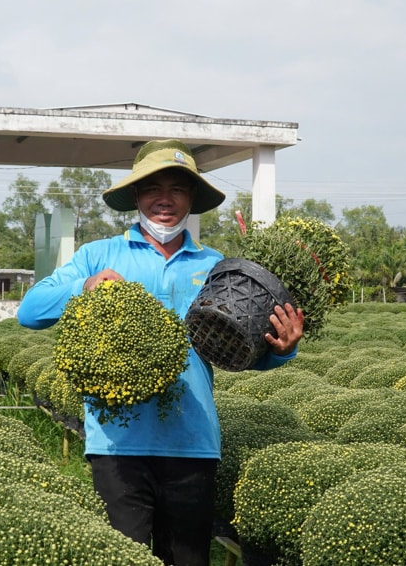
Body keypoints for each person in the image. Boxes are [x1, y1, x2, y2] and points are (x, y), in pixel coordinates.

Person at [17, 139, 304, 566]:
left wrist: (281, 350)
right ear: (136, 195)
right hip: (117, 444)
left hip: (192, 443)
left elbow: (239, 352)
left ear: (192, 199)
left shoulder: (217, 267)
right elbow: (30, 311)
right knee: (122, 558)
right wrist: (85, 286)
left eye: (177, 189)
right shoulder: (99, 255)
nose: (164, 199)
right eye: (153, 187)